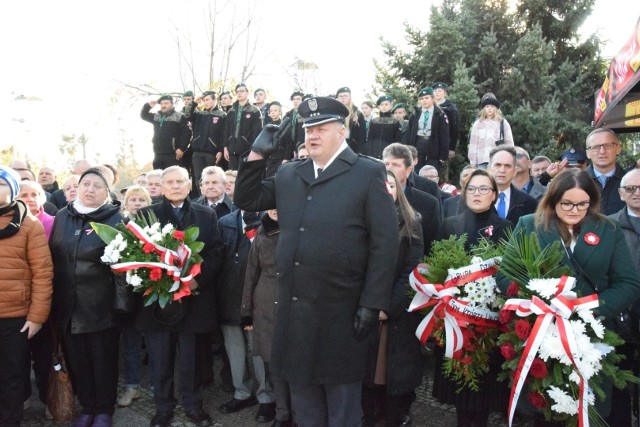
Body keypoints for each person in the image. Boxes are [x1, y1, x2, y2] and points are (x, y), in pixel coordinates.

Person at [234, 96, 400, 426]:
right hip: (295, 313)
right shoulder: (290, 173)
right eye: (309, 128)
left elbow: (385, 243)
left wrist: (372, 302)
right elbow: (246, 198)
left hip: (342, 311)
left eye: (321, 128)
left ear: (342, 131)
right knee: (305, 407)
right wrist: (255, 156)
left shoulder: (367, 172)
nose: (312, 135)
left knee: (342, 410)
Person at [498, 168, 640, 425]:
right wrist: (538, 303)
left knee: (588, 408)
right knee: (544, 409)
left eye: (583, 204)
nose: (575, 210)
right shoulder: (530, 224)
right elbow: (506, 275)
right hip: (542, 333)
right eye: (567, 204)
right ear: (553, 199)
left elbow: (627, 283)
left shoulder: (608, 229)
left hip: (592, 334)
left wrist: (590, 308)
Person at [135, 166, 223, 427]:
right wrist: (159, 280)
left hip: (194, 298)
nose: (175, 186)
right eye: (169, 182)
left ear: (189, 185)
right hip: (158, 300)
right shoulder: (146, 214)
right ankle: (163, 407)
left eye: (180, 182)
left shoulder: (206, 215)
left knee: (191, 359)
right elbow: (136, 254)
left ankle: (193, 405)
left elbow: (217, 252)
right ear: (161, 187)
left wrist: (198, 277)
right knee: (160, 359)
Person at [433, 169, 511, 427]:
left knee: (484, 393)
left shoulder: (506, 228)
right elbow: (436, 268)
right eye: (471, 189)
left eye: (484, 189)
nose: (477, 194)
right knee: (460, 393)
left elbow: (509, 270)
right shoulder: (449, 224)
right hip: (456, 319)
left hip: (490, 321)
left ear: (495, 195)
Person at [49, 166, 125, 427]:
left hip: (101, 308)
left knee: (103, 361)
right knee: (78, 360)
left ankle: (104, 409)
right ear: (76, 188)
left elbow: (123, 270)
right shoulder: (62, 216)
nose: (90, 189)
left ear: (107, 192)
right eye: (86, 184)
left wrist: (121, 306)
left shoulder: (116, 219)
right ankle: (88, 407)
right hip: (68, 307)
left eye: (97, 186)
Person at [362, 170, 424, 427]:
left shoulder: (412, 222)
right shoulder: (359, 220)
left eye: (390, 185)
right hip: (365, 310)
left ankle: (394, 416)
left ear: (398, 188)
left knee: (392, 375)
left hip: (394, 314)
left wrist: (387, 307)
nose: (385, 190)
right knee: (366, 376)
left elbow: (412, 270)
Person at [0, 167, 53, 427]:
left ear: (12, 189)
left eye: (0, 183)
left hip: (16, 316)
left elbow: (43, 273)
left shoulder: (28, 225)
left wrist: (37, 316)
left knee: (13, 374)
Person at [217, 209, 276, 422]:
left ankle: (267, 397)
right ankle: (242, 392)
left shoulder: (270, 220)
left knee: (259, 350)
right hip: (229, 295)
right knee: (235, 350)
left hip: (258, 298)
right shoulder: (224, 222)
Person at [241, 209, 291, 426]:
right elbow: (251, 271)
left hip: (294, 300)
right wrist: (246, 311)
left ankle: (299, 413)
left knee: (296, 363)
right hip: (266, 302)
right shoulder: (261, 231)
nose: (276, 209)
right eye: (271, 204)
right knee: (272, 362)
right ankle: (282, 413)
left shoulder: (302, 226)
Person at [607, 168, 640, 426]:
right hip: (621, 316)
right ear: (621, 194)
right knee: (619, 381)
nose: (636, 193)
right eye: (630, 189)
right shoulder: (609, 225)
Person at [116, 185, 152, 408]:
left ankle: (159, 385)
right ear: (126, 204)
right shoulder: (119, 227)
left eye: (141, 199)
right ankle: (132, 386)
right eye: (133, 199)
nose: (137, 203)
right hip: (127, 296)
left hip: (150, 294)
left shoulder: (156, 226)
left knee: (154, 344)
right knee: (131, 344)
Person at [383, 143, 441, 255]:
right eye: (386, 164)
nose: (389, 168)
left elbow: (433, 242)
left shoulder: (428, 203)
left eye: (395, 165)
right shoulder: (369, 197)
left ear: (408, 170)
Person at [183, 91, 227, 189]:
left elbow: (224, 135)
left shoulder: (222, 115)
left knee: (212, 179)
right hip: (197, 152)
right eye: (204, 100)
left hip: (212, 153)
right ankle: (201, 202)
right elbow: (187, 115)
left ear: (215, 100)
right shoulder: (199, 114)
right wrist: (194, 103)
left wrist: (220, 150)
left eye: (207, 100)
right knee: (198, 180)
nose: (205, 102)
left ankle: (210, 202)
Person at [403, 86, 450, 172]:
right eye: (422, 99)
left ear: (432, 98)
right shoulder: (415, 114)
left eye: (427, 98)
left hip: (432, 144)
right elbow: (409, 133)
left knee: (431, 170)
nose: (424, 100)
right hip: (418, 143)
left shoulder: (439, 114)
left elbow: (444, 135)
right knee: (416, 170)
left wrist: (443, 154)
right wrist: (407, 149)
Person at [488, 146, 538, 225]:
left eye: (507, 166)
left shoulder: (530, 203)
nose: (502, 170)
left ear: (515, 171)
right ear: (489, 169)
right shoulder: (474, 200)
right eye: (497, 165)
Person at [141, 95, 190, 170]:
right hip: (158, 154)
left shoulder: (180, 116)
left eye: (166, 103)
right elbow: (144, 115)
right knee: (158, 178)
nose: (163, 105)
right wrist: (148, 105)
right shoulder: (156, 116)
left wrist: (182, 148)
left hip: (173, 154)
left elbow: (187, 133)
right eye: (161, 104)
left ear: (172, 104)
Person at [585, 128, 626, 215]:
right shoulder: (577, 181)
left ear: (618, 149)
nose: (602, 151)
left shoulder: (630, 183)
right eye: (596, 147)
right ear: (588, 153)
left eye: (608, 145)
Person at [468, 93, 514, 169]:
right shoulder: (478, 124)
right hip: (482, 161)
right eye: (487, 107)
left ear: (496, 108)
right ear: (483, 109)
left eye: (492, 106)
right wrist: (473, 163)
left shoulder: (503, 123)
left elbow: (509, 143)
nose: (489, 109)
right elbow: (473, 145)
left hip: (499, 160)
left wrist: (510, 160)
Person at [223, 83, 263, 170]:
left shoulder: (254, 110)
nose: (239, 93)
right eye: (237, 92)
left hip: (247, 150)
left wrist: (253, 150)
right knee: (232, 177)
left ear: (247, 92)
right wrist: (225, 147)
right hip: (232, 150)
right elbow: (226, 130)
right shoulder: (231, 110)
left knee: (244, 178)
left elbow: (257, 133)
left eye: (242, 91)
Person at [361, 95, 401, 160]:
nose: (384, 106)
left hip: (389, 153)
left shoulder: (394, 122)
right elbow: (370, 138)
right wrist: (369, 152)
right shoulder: (374, 121)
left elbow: (397, 139)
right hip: (374, 153)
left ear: (391, 106)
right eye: (382, 104)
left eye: (386, 104)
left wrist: (395, 153)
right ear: (379, 107)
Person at [432, 82, 460, 160]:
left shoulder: (451, 108)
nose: (436, 92)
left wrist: (451, 148)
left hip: (444, 145)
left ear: (445, 94)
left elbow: (455, 130)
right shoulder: (429, 107)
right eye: (435, 91)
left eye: (439, 91)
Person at [336, 86, 367, 153]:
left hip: (352, 147)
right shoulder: (333, 113)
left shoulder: (358, 114)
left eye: (345, 96)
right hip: (336, 145)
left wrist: (360, 152)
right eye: (340, 96)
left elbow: (362, 136)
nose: (343, 98)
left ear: (350, 97)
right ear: (337, 98)